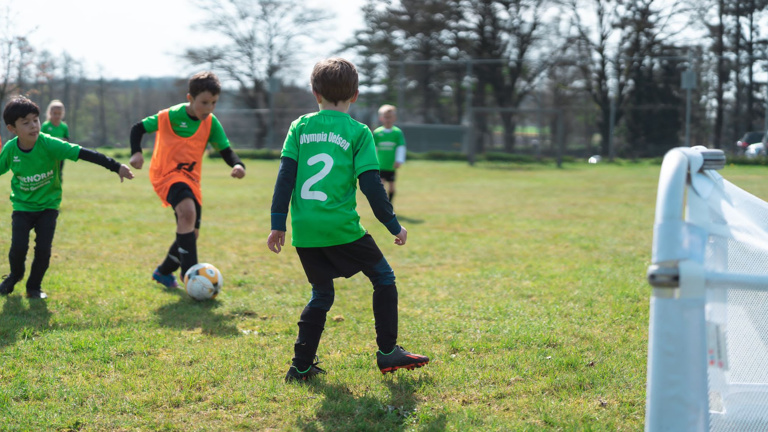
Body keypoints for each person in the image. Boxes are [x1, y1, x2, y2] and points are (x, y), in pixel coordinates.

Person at [267, 58, 429, 383]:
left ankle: (300, 367)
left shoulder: (299, 126)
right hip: (342, 227)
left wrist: (277, 223)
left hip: (306, 230)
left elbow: (285, 179)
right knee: (383, 278)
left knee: (322, 294)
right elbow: (371, 186)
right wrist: (394, 226)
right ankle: (387, 353)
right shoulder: (358, 132)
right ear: (355, 95)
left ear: (315, 93)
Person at [0, 95, 134, 299]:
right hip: (23, 207)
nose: (33, 126)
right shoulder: (10, 149)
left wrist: (115, 166)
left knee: (43, 251)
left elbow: (84, 153)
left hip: (48, 207)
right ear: (12, 129)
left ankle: (33, 287)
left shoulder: (50, 144)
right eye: (25, 123)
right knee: (18, 248)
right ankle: (15, 275)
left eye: (35, 120)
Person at [129, 71, 245, 289]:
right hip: (165, 175)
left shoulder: (210, 122)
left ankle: (163, 272)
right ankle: (191, 275)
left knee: (192, 232)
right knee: (187, 214)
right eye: (204, 102)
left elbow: (226, 151)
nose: (209, 108)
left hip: (191, 180)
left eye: (214, 103)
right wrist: (136, 153)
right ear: (190, 98)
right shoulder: (168, 116)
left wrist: (238, 165)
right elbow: (138, 128)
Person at [372, 104, 406, 203]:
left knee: (391, 187)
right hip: (380, 164)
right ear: (381, 118)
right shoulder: (377, 133)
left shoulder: (397, 132)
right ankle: (383, 203)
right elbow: (374, 148)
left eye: (390, 117)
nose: (388, 119)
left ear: (394, 118)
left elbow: (401, 146)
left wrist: (399, 160)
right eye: (386, 117)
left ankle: (390, 204)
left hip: (391, 165)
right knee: (381, 186)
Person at [41, 99, 70, 180]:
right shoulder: (46, 126)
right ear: (50, 113)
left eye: (59, 114)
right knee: (47, 173)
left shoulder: (64, 126)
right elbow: (40, 139)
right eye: (55, 113)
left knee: (58, 173)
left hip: (60, 154)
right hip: (48, 154)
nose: (57, 116)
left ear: (62, 114)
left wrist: (64, 141)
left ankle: (58, 188)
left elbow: (67, 138)